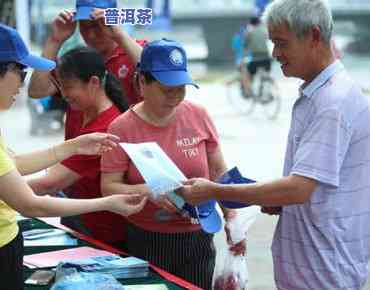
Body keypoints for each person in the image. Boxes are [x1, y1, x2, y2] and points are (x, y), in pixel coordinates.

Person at [0, 21, 147, 290]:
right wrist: (107, 202)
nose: (22, 83)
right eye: (20, 71)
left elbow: (12, 165)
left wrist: (72, 146)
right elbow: (31, 205)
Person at [178, 1, 370, 289]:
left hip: (323, 272)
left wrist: (215, 190)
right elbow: (320, 186)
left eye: (281, 43)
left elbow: (298, 188)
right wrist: (275, 201)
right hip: (317, 265)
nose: (275, 54)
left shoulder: (332, 103)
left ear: (315, 36)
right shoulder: (320, 95)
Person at [100, 39, 245, 289]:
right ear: (142, 82)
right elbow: (109, 187)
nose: (176, 97)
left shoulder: (198, 115)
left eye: (182, 88)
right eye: (168, 89)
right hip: (147, 239)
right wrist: (149, 191)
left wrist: (232, 218)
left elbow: (219, 171)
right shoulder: (122, 128)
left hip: (199, 237)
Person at [28, 47, 130, 249]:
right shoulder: (78, 109)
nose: (63, 95)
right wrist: (54, 40)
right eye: (61, 87)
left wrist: (1, 191)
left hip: (102, 231)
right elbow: (36, 90)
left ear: (93, 83)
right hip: (76, 217)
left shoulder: (105, 128)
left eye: (68, 87)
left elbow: (49, 183)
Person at [28, 0, 146, 139]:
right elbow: (37, 90)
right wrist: (55, 40)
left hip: (122, 151)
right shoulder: (77, 58)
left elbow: (156, 76)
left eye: (97, 25)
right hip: (79, 151)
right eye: (84, 26)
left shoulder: (136, 50)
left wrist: (119, 35)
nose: (91, 34)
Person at [242, 16, 272, 97]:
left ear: (250, 23)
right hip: (267, 58)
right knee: (265, 74)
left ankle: (248, 92)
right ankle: (265, 90)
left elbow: (245, 45)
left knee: (246, 72)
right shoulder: (265, 31)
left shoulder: (249, 32)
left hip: (256, 58)